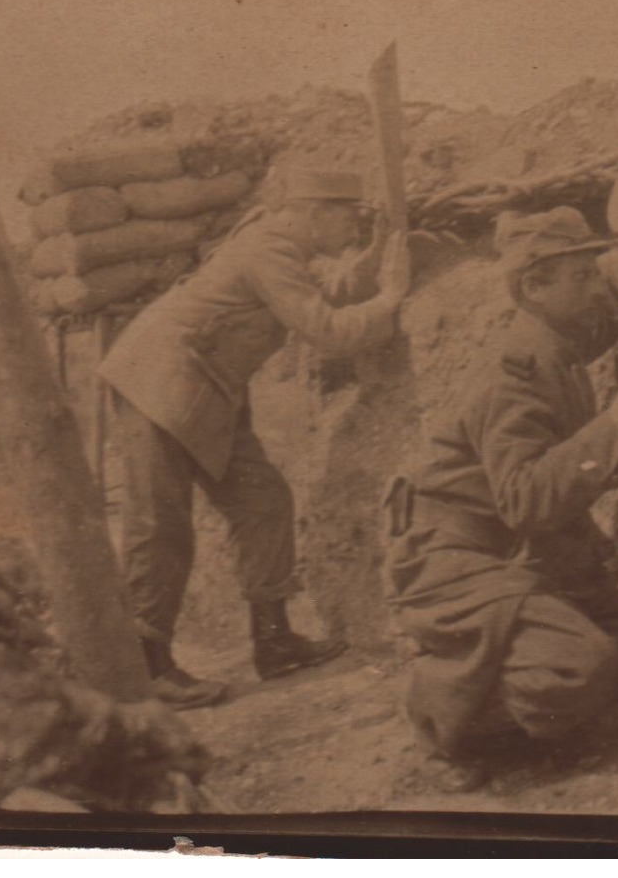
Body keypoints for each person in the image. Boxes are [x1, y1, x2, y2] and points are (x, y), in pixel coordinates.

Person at [384, 206, 618, 789]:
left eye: (592, 272)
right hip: (454, 562)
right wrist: (613, 423)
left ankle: (502, 675)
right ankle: (444, 715)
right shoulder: (510, 376)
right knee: (582, 669)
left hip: (517, 551)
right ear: (535, 287)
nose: (598, 286)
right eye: (582, 277)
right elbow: (525, 502)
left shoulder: (556, 332)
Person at [100, 168, 411, 709]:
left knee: (264, 502)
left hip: (208, 391)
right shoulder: (268, 248)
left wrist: (377, 259)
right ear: (316, 214)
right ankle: (148, 667)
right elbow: (329, 332)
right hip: (159, 383)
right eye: (350, 220)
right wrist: (390, 298)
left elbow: (327, 292)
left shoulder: (285, 247)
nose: (354, 232)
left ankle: (274, 642)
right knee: (160, 520)